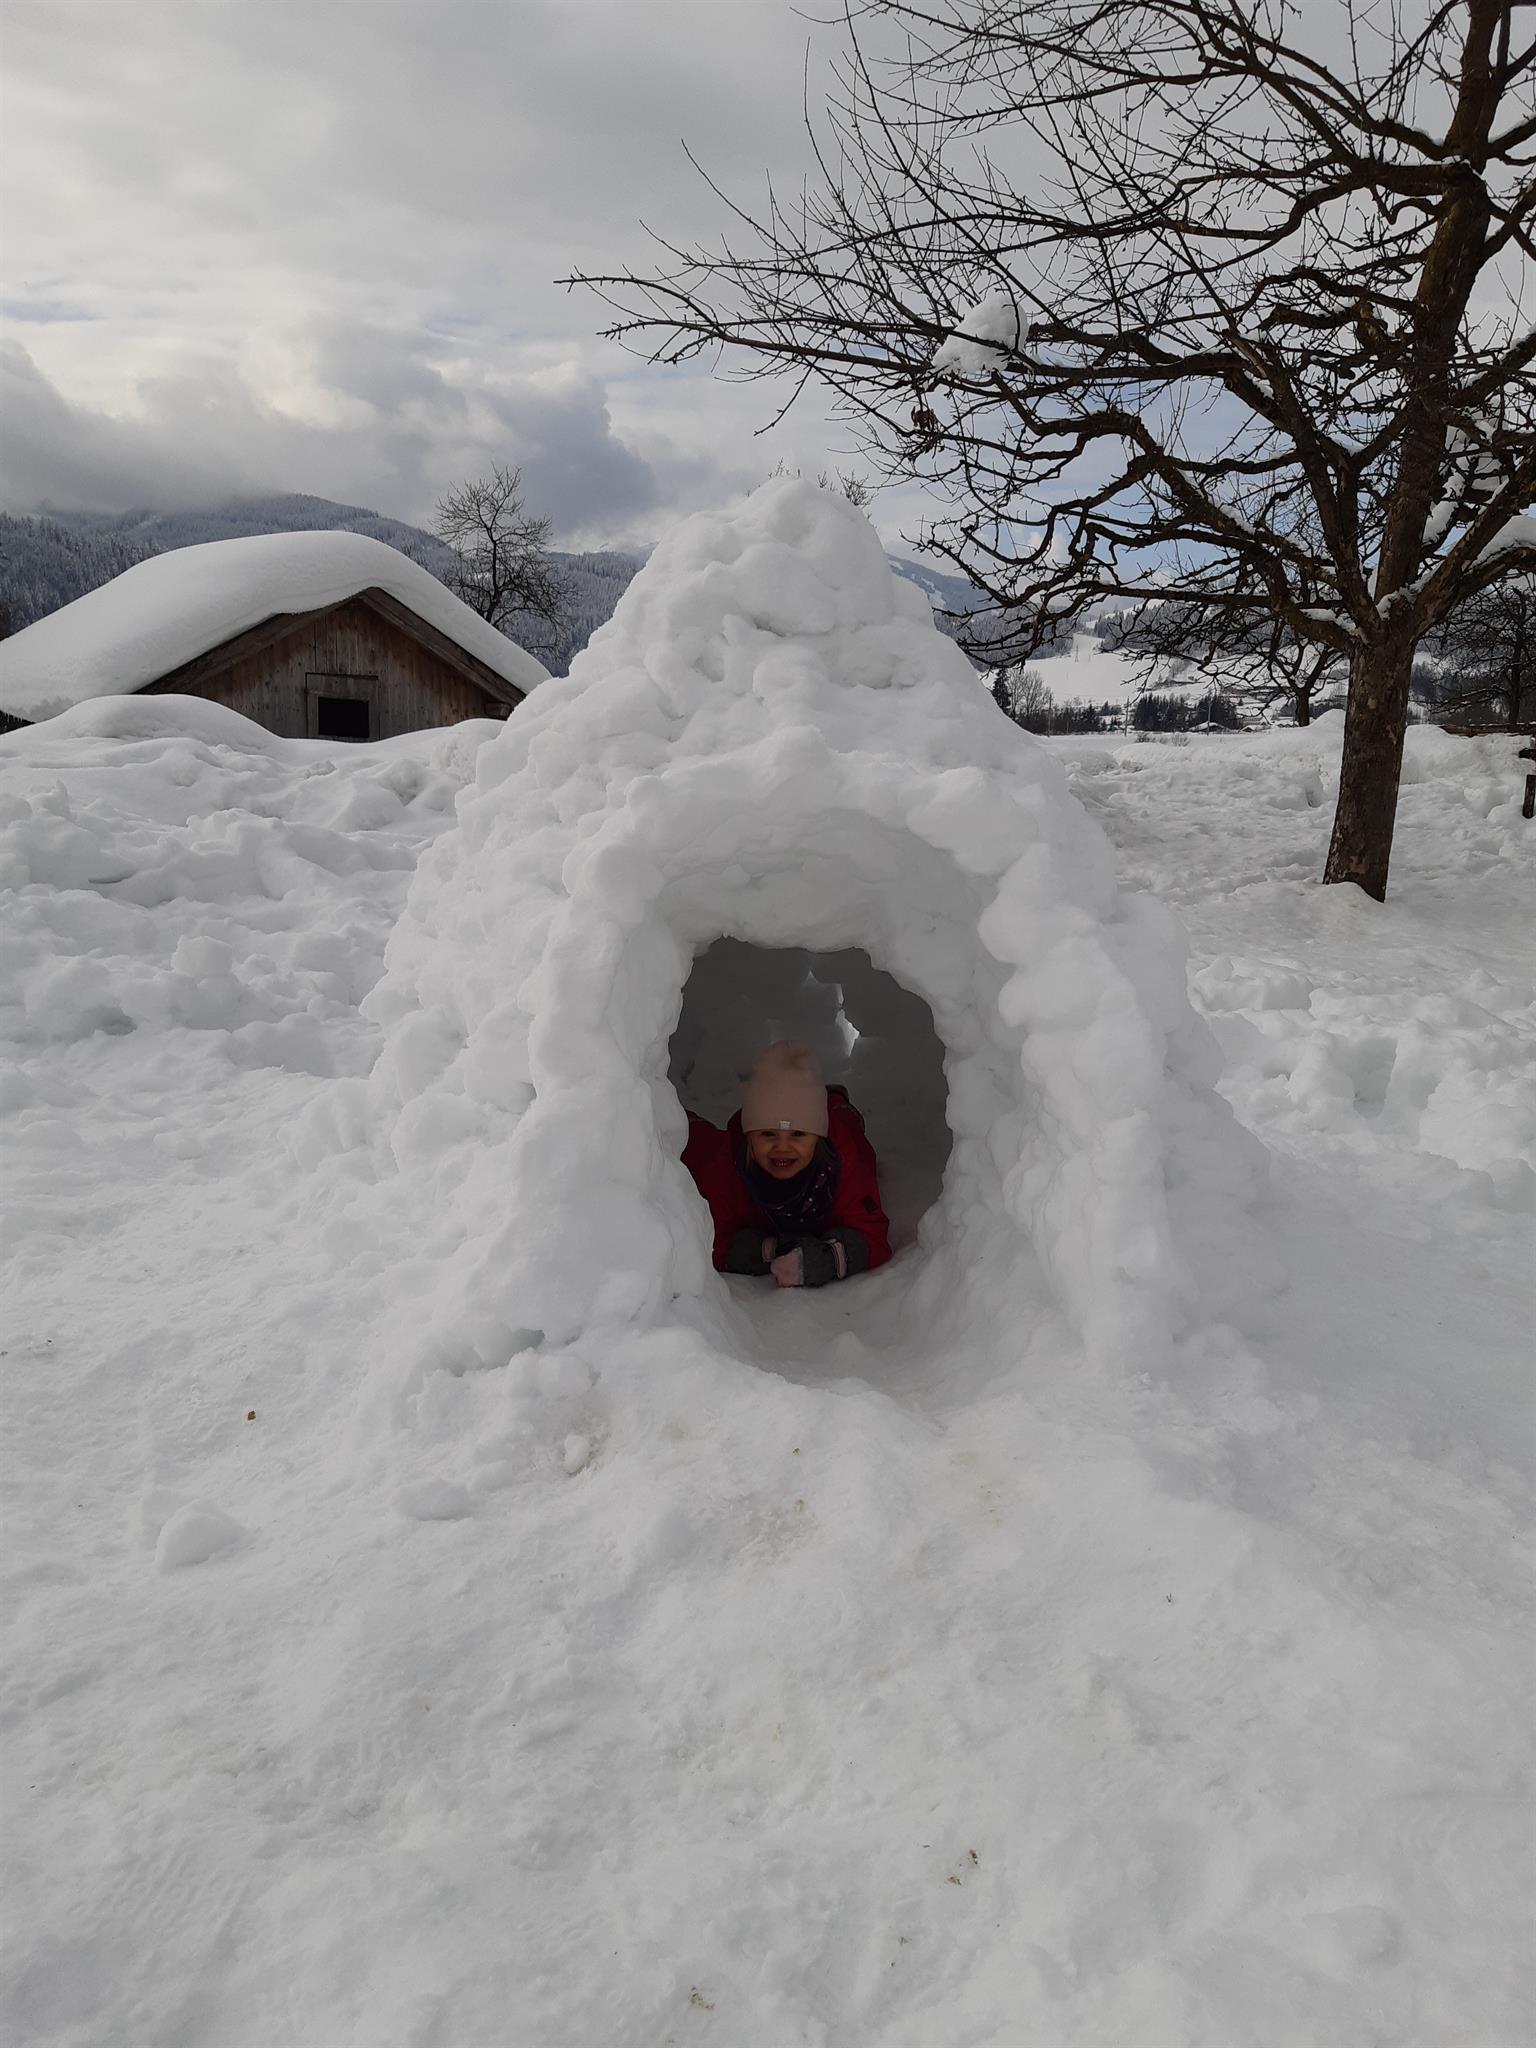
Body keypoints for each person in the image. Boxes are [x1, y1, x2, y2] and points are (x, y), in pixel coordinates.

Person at [682, 1040, 892, 1288]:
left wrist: (826, 1259)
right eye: (768, 1133)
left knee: (845, 1120)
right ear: (749, 1136)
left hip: (838, 1126)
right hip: (728, 1147)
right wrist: (768, 1249)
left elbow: (873, 1236)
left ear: (818, 1138)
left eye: (798, 1134)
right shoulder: (732, 1165)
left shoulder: (843, 1163)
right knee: (695, 1144)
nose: (782, 1147)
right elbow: (711, 1240)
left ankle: (834, 1099)